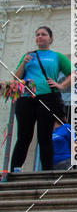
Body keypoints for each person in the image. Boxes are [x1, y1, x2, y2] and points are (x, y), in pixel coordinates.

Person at [11, 26, 71, 172]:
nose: (40, 37)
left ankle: (47, 171)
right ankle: (14, 170)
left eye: (43, 34)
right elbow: (16, 78)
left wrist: (61, 85)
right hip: (26, 97)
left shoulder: (57, 56)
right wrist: (24, 62)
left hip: (48, 97)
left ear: (51, 38)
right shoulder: (29, 55)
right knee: (24, 136)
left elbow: (73, 74)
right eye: (37, 34)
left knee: (45, 136)